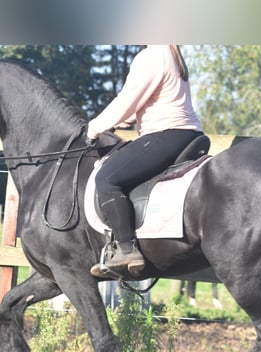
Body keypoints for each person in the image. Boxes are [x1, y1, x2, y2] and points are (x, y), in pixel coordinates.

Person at [87, 44, 203, 278]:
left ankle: (126, 249)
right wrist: (129, 117)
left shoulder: (152, 54)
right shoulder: (171, 53)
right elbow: (150, 98)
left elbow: (127, 98)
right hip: (187, 133)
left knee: (107, 179)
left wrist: (94, 128)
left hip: (165, 133)